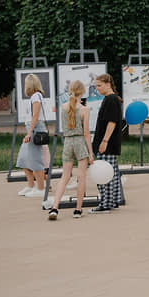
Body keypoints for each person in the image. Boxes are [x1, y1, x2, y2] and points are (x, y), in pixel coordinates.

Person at [47, 81, 93, 220]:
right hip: (79, 142)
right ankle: (78, 210)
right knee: (81, 177)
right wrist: (90, 153)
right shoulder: (85, 109)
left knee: (65, 176)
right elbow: (86, 133)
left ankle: (54, 207)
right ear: (82, 92)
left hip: (67, 142)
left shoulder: (63, 107)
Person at [91, 74, 123, 213]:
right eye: (96, 85)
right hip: (109, 142)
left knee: (104, 173)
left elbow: (112, 122)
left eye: (99, 85)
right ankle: (113, 200)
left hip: (107, 143)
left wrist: (104, 141)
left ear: (108, 84)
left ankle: (106, 203)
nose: (97, 88)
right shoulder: (111, 99)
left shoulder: (110, 99)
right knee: (112, 173)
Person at [17, 74, 50, 198]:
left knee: (35, 160)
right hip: (32, 129)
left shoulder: (36, 96)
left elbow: (35, 116)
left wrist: (29, 133)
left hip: (35, 130)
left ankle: (40, 188)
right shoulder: (34, 97)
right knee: (23, 159)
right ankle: (31, 185)